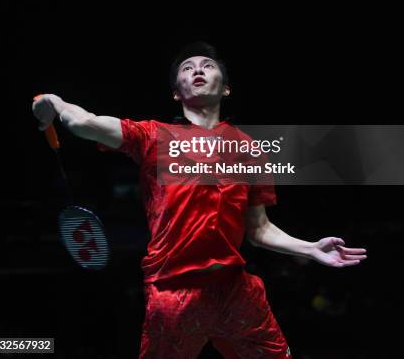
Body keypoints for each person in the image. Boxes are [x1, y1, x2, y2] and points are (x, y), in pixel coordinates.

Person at [32, 42, 367, 358]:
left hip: (235, 292)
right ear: (177, 92)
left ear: (225, 89)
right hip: (173, 293)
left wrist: (309, 248)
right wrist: (54, 103)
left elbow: (259, 229)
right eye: (187, 68)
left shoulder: (248, 149)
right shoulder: (152, 137)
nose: (198, 69)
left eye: (207, 65)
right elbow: (85, 123)